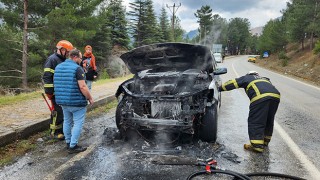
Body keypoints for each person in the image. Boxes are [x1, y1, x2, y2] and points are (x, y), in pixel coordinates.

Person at [219, 71, 280, 153]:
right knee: (268, 119)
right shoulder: (265, 79)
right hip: (275, 96)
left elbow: (232, 83)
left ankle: (257, 146)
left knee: (256, 121)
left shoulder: (247, 77)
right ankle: (265, 141)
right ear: (257, 74)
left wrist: (219, 88)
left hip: (260, 97)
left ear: (249, 74)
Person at [54, 49, 94, 154]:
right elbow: (83, 87)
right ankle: (73, 146)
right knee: (77, 123)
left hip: (62, 101)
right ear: (75, 57)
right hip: (76, 102)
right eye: (80, 58)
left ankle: (68, 142)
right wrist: (90, 98)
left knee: (67, 121)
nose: (81, 60)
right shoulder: (77, 69)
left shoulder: (58, 67)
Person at [43, 40, 74, 140]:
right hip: (55, 92)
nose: (68, 54)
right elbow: (47, 77)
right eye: (67, 51)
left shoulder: (63, 60)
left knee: (63, 112)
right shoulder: (52, 60)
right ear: (61, 49)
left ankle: (62, 130)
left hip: (63, 92)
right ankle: (55, 132)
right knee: (57, 112)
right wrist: (49, 92)